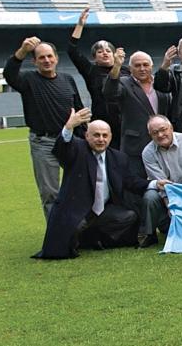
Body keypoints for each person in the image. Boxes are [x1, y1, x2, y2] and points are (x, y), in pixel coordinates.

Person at [34, 109, 147, 259]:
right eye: (96, 135)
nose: (101, 139)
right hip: (78, 211)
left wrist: (154, 184)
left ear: (110, 137)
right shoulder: (77, 150)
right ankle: (84, 237)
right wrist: (69, 127)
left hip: (104, 211)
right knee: (73, 229)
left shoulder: (118, 157)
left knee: (129, 217)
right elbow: (62, 150)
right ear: (87, 136)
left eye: (105, 135)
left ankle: (94, 238)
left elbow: (130, 181)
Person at [4, 36, 84, 219]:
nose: (46, 60)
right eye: (41, 57)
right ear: (34, 61)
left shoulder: (68, 79)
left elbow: (77, 109)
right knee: (50, 193)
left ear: (56, 58)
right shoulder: (27, 80)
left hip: (70, 141)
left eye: (49, 56)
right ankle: (57, 235)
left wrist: (86, 133)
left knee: (77, 187)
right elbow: (9, 74)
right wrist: (22, 51)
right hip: (44, 143)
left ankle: (79, 231)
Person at [104, 49, 169, 178]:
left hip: (162, 142)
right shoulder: (123, 82)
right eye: (137, 65)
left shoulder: (160, 83)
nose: (142, 68)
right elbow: (110, 93)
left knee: (163, 182)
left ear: (151, 66)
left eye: (145, 65)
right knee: (135, 184)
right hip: (135, 146)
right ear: (130, 68)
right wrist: (116, 66)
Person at [66, 7, 125, 147]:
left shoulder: (126, 71)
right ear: (94, 57)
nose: (104, 53)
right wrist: (80, 25)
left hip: (125, 122)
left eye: (108, 51)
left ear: (114, 54)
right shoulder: (91, 70)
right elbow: (72, 51)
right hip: (102, 122)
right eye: (100, 51)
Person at [139, 115, 182, 248]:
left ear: (171, 128)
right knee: (150, 196)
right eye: (155, 133)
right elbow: (160, 183)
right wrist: (170, 204)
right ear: (150, 135)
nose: (160, 135)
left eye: (163, 130)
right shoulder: (147, 153)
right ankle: (149, 234)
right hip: (164, 193)